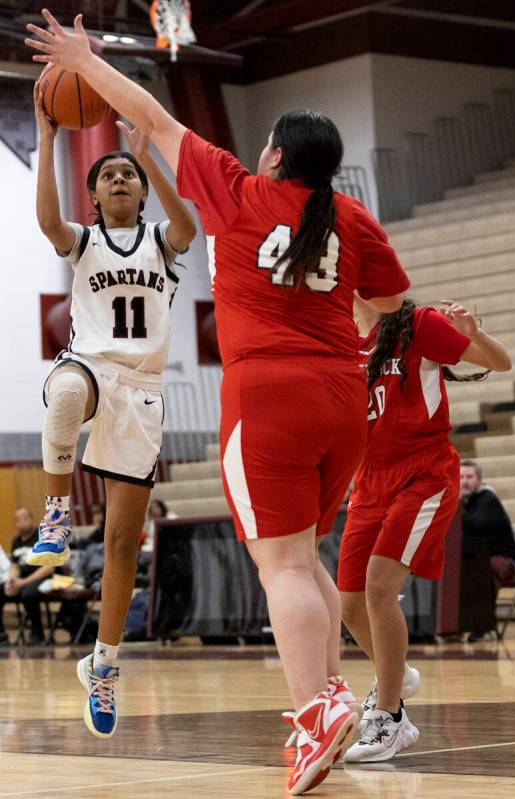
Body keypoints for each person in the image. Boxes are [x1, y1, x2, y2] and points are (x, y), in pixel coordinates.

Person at [25, 13, 410, 793]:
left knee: (284, 568)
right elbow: (393, 300)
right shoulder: (352, 218)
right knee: (308, 562)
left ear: (273, 154)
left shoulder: (240, 191)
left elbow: (149, 113)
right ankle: (327, 703)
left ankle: (315, 710)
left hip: (269, 394)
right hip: (342, 398)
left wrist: (81, 59)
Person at [25, 73, 196, 739]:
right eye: (110, 175)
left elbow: (187, 221)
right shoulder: (83, 242)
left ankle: (103, 661)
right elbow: (45, 220)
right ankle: (58, 511)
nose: (120, 180)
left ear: (140, 190)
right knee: (65, 392)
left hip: (143, 391)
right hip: (90, 366)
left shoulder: (162, 241)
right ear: (93, 195)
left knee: (125, 540)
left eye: (129, 174)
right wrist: (46, 138)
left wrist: (149, 151)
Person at [338, 296, 512, 763]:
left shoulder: (418, 324)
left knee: (379, 587)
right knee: (349, 603)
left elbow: (501, 361)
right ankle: (396, 673)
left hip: (424, 472)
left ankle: (391, 717)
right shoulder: (338, 338)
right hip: (368, 479)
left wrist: (473, 333)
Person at [461, 459, 515, 639]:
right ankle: (451, 627)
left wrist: (455, 506)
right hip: (475, 558)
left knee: (480, 569)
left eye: (469, 477)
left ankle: (481, 624)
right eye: (461, 477)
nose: (464, 481)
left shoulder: (488, 499)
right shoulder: (464, 501)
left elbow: (476, 526)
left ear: (479, 479)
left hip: (504, 560)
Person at [0, 509, 54, 645]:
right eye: (18, 519)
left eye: (25, 518)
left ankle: (37, 633)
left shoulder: (42, 537)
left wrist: (23, 582)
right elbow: (15, 566)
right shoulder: (16, 541)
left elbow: (49, 568)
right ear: (15, 524)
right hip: (22, 579)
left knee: (28, 593)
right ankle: (2, 635)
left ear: (32, 519)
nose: (22, 521)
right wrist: (12, 580)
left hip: (42, 577)